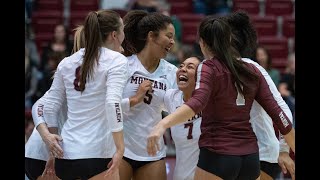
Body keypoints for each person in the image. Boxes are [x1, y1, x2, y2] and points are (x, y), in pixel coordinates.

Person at [147, 16, 295, 180]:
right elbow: (279, 114)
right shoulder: (252, 68)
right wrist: (285, 148)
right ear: (229, 39)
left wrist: (163, 124)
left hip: (218, 153)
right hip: (250, 157)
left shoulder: (208, 66)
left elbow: (197, 102)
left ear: (202, 43)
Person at [35, 10, 129, 179]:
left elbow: (50, 107)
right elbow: (112, 103)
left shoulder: (67, 62)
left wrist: (53, 149)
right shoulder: (117, 60)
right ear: (114, 34)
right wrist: (120, 148)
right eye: (123, 30)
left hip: (66, 154)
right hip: (98, 154)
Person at [226, 11, 295, 180]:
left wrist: (285, 150)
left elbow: (282, 110)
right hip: (228, 151)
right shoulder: (211, 68)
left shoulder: (251, 68)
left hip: (259, 153)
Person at [120, 10, 177, 180]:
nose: (173, 41)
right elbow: (108, 105)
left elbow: (174, 110)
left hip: (152, 151)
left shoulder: (171, 72)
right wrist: (134, 99)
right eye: (169, 36)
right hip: (121, 148)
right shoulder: (124, 66)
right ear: (152, 36)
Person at [25, 25, 85, 180]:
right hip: (42, 156)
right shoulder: (71, 74)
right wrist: (48, 137)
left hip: (66, 153)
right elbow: (40, 105)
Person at [163, 56, 202, 180]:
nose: (183, 69)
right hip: (180, 176)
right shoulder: (171, 97)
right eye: (181, 66)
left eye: (190, 67)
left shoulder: (211, 100)